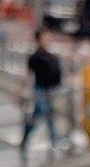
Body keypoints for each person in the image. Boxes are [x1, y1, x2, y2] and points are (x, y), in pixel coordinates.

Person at [22, 29, 62, 158]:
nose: (47, 41)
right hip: (39, 90)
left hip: (48, 89)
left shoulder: (51, 56)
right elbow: (28, 75)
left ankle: (26, 137)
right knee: (47, 113)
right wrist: (22, 90)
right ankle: (55, 140)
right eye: (45, 38)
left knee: (37, 117)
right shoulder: (34, 57)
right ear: (38, 40)